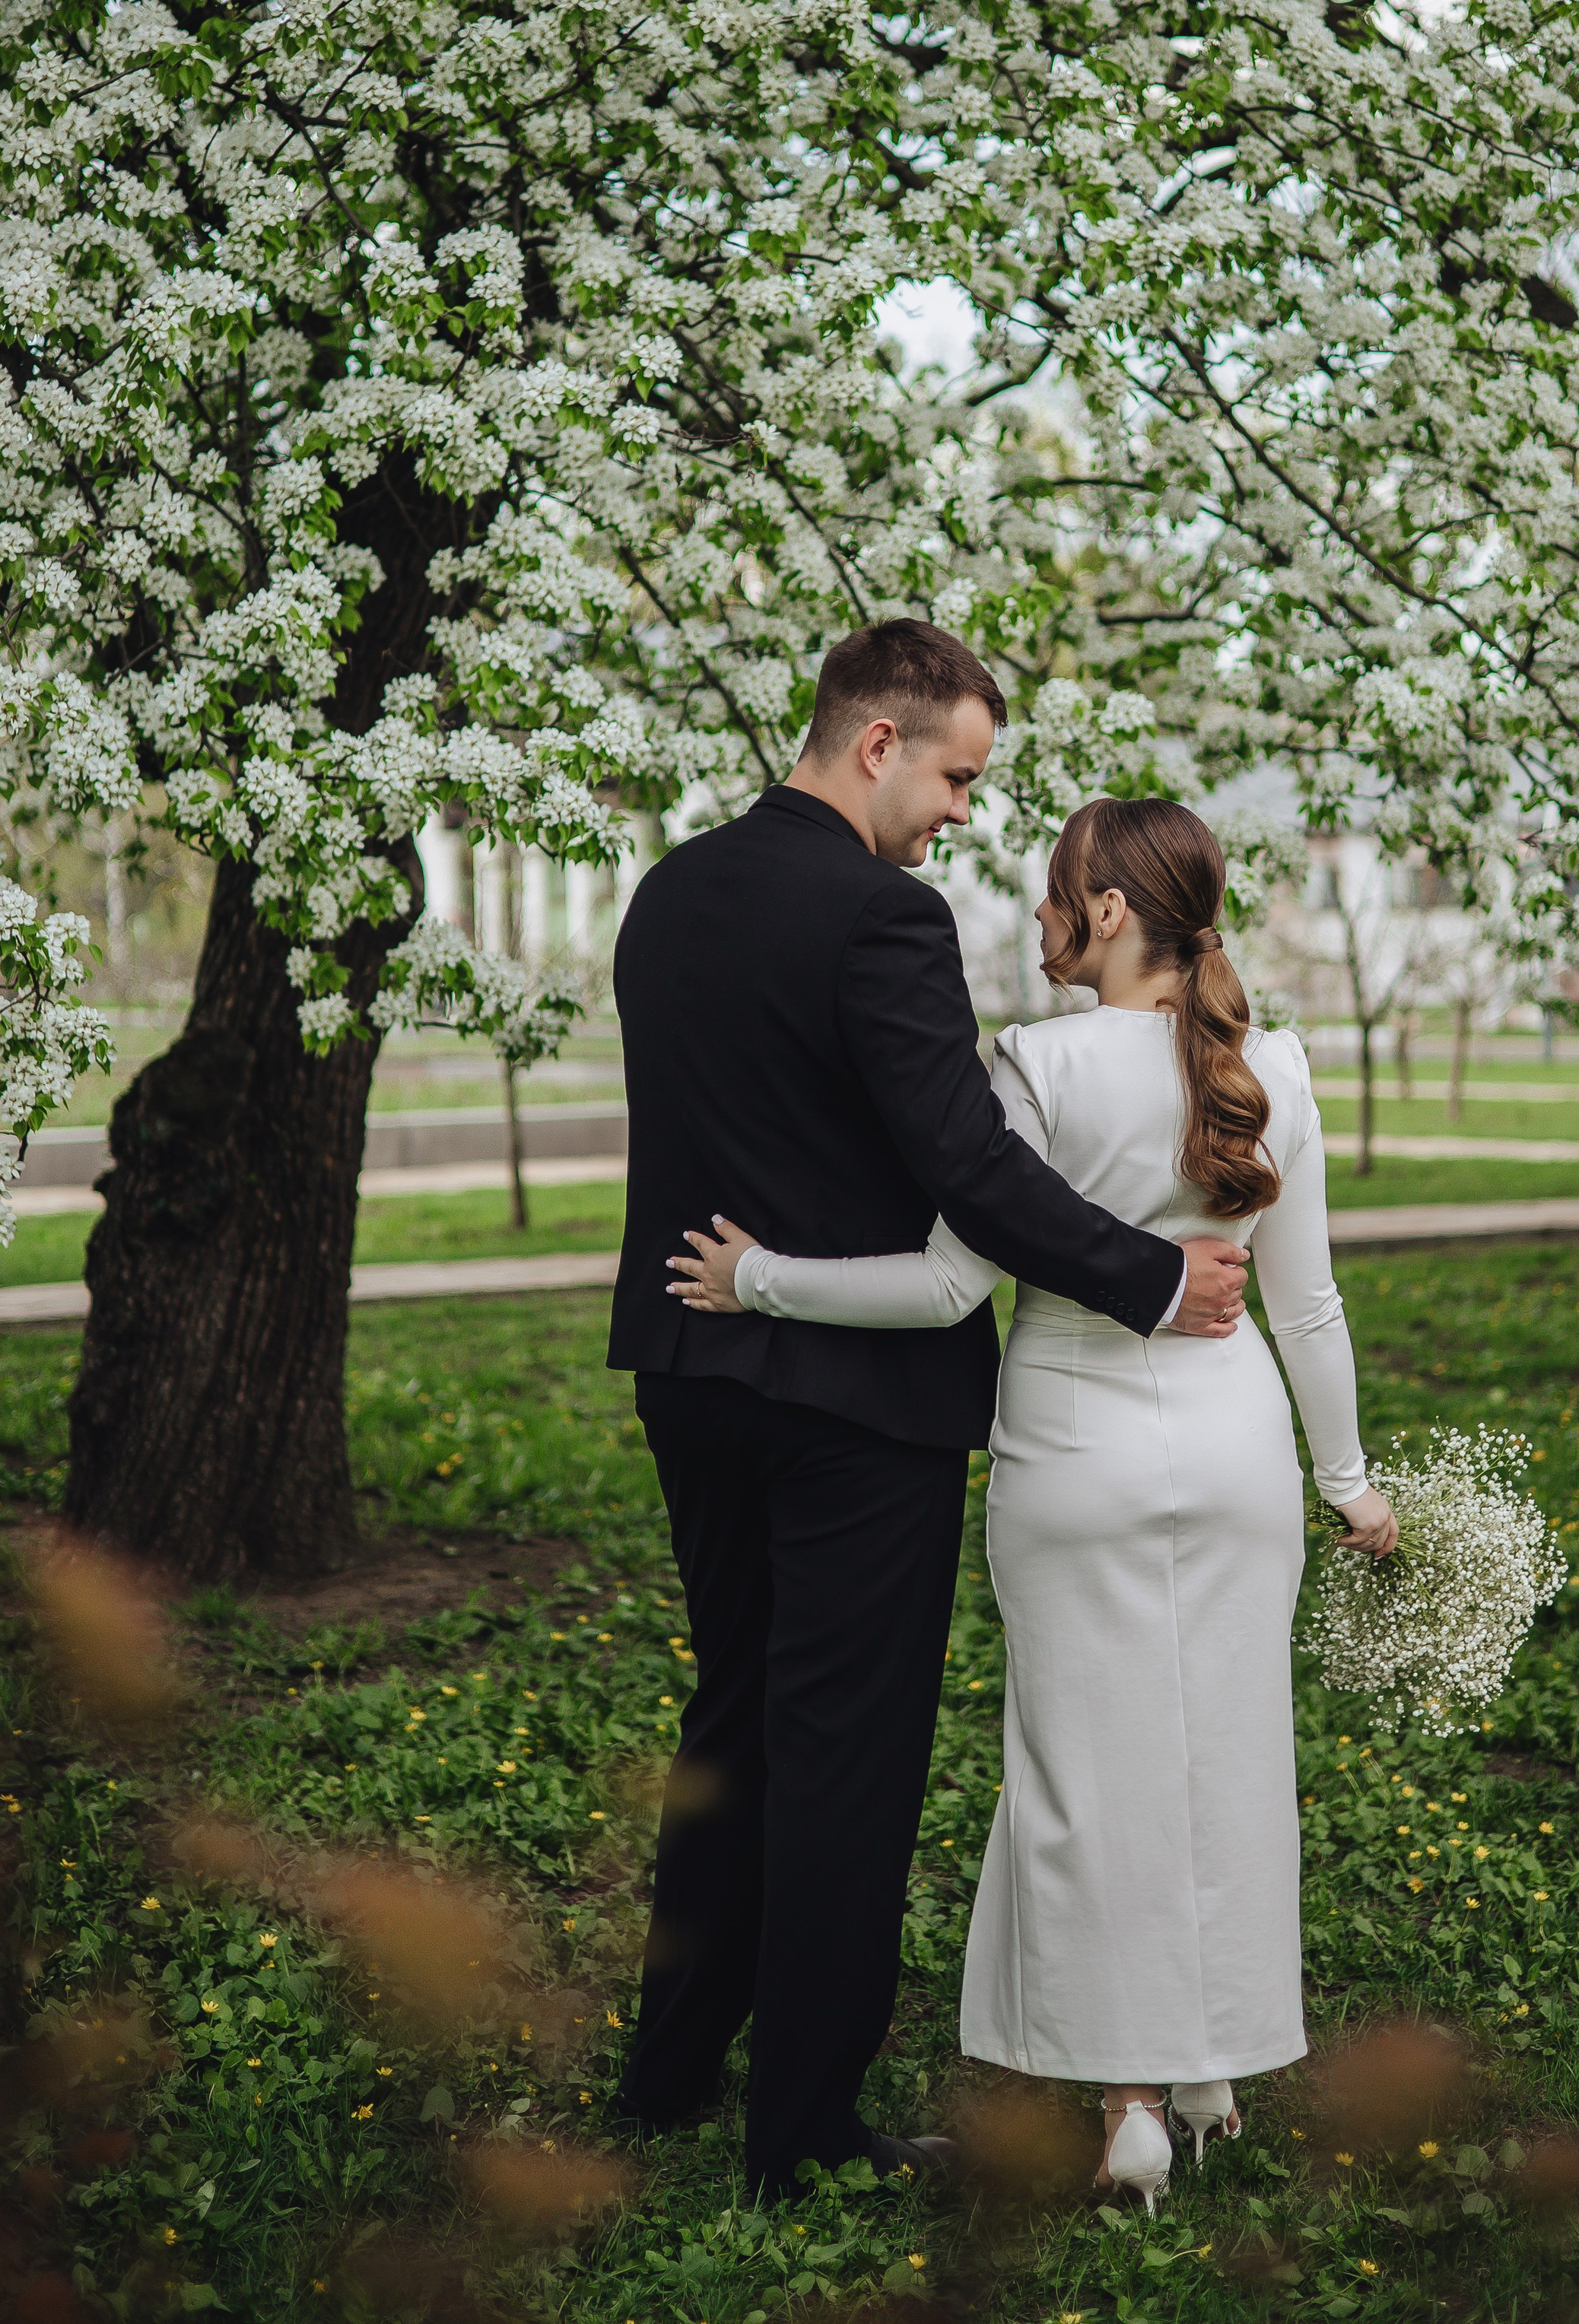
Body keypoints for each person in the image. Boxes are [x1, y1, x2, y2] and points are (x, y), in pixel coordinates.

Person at [669, 795, 1398, 2211]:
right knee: (1226, 1757)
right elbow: (1306, 1313)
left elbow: (949, 1287)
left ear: (1112, 913)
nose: (1041, 915)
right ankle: (1211, 2070)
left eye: (1057, 892)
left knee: (1089, 1778)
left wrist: (756, 1278)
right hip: (1239, 1448)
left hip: (1072, 1456)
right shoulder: (1279, 1069)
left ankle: (1131, 2103)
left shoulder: (1035, 1066)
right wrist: (1350, 1485)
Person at [608, 623, 1252, 2198]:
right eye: (957, 775)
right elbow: (966, 1166)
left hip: (692, 1371)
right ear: (876, 743)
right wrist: (1154, 1281)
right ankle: (805, 2131)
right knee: (843, 1753)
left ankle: (670, 2074)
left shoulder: (669, 893)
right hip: (856, 1404)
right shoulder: (876, 921)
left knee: (734, 1724)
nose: (963, 811)